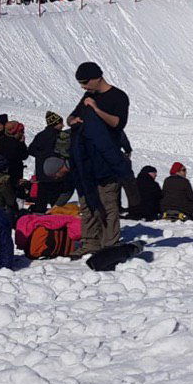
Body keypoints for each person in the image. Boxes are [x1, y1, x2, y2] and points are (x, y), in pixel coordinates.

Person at [68, 61, 132, 256]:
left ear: (97, 77)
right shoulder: (88, 95)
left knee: (108, 203)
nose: (83, 87)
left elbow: (118, 123)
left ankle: (109, 244)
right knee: (87, 202)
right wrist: (74, 120)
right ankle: (90, 243)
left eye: (85, 82)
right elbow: (70, 117)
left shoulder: (118, 96)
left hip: (107, 158)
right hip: (86, 158)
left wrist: (96, 110)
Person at [28, 112, 64, 194]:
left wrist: (41, 156)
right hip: (57, 174)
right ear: (55, 124)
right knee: (56, 203)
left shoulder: (40, 135)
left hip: (41, 175)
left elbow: (31, 150)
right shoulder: (60, 136)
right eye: (61, 123)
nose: (63, 125)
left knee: (41, 201)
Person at [0, 121, 29, 192]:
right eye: (20, 131)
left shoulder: (0, 140)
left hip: (0, 174)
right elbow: (24, 155)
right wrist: (22, 144)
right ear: (14, 132)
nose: (22, 133)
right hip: (14, 174)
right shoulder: (16, 144)